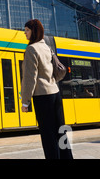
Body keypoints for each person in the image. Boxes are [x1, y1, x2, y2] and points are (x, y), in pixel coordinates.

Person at [21, 19, 73, 159]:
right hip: (55, 93)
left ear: (34, 31)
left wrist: (25, 101)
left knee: (48, 134)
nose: (25, 33)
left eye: (27, 30)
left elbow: (30, 78)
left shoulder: (31, 49)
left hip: (43, 96)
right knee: (60, 131)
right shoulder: (46, 47)